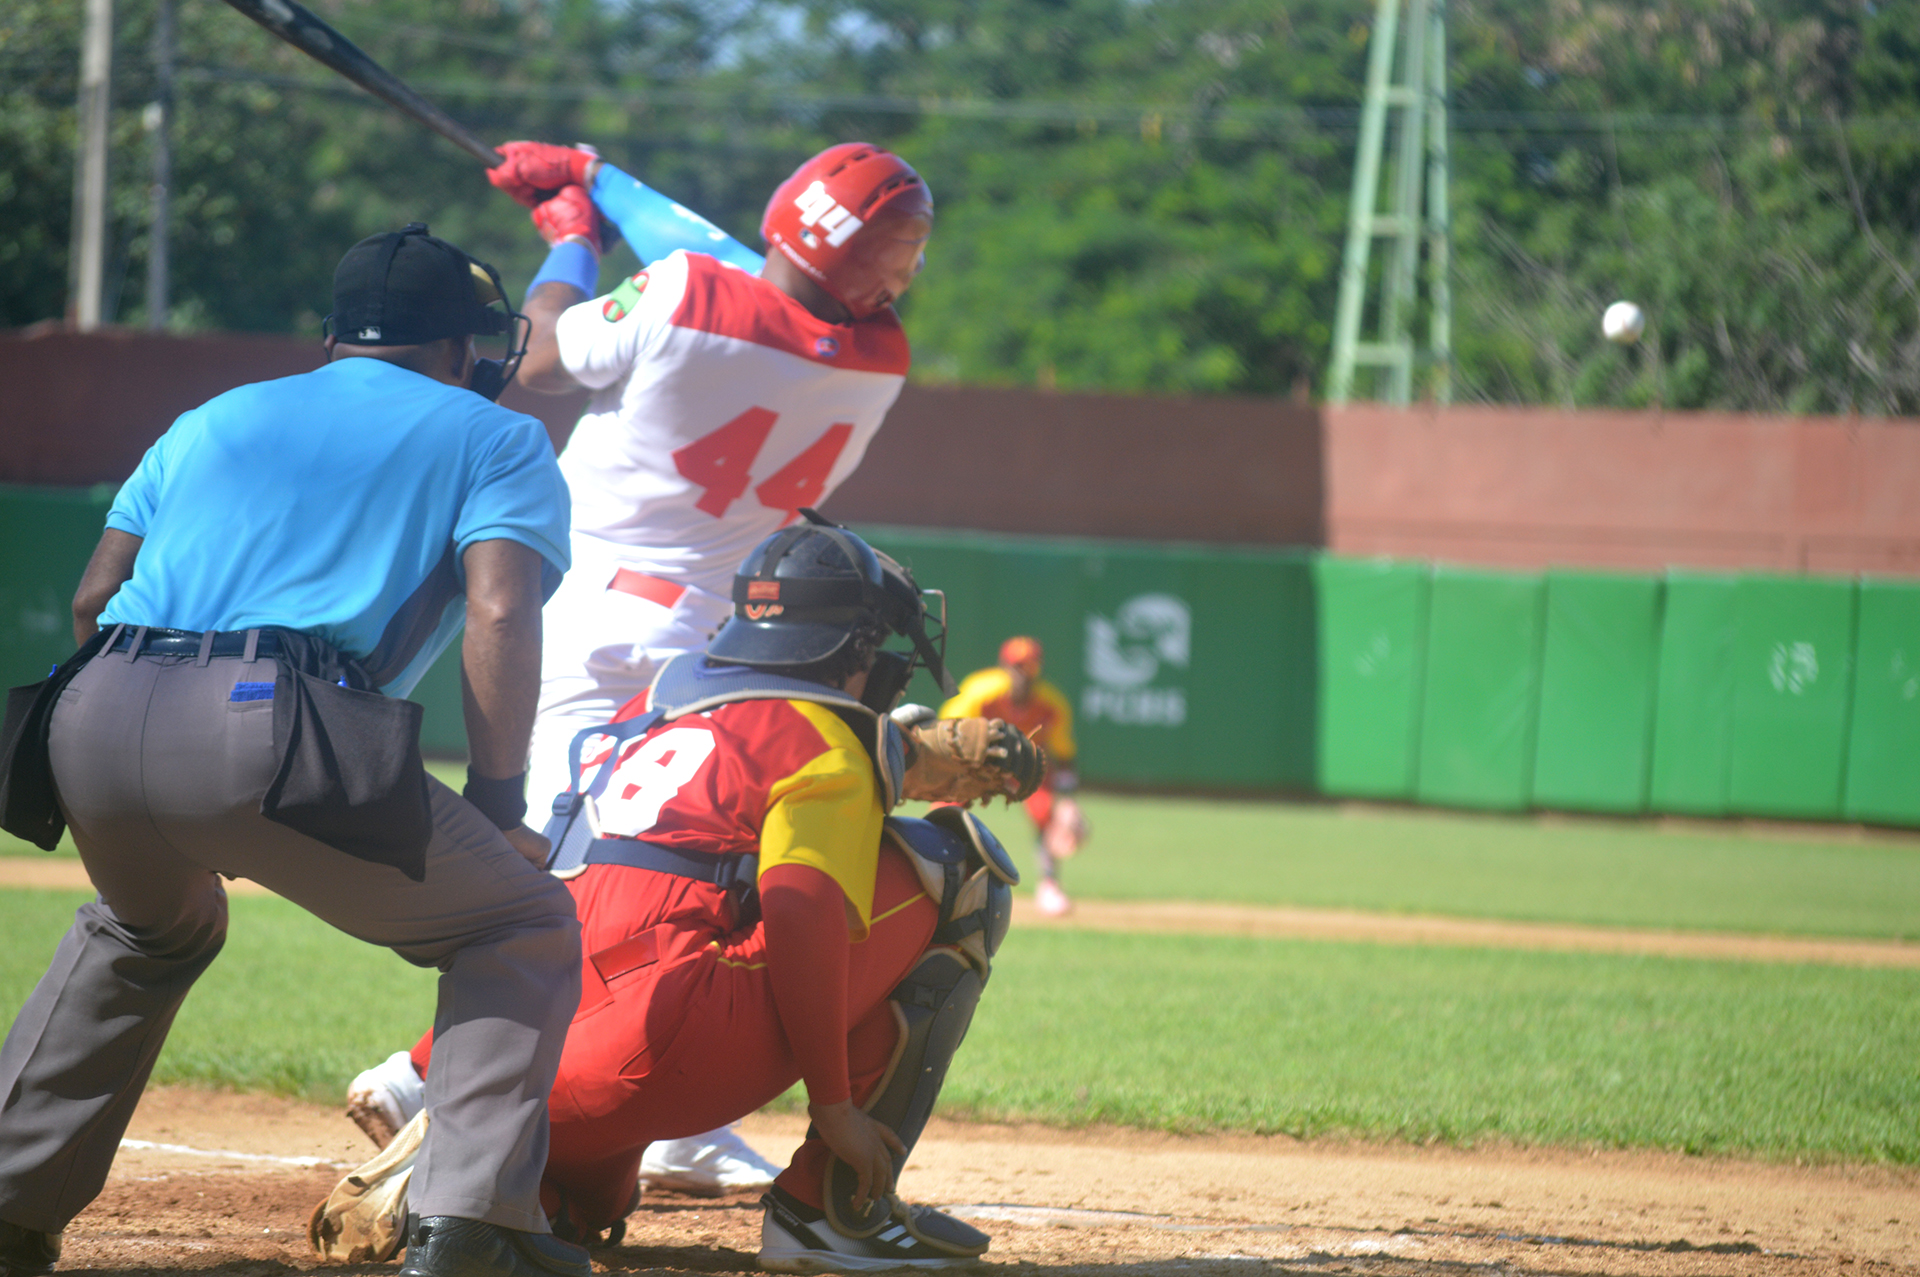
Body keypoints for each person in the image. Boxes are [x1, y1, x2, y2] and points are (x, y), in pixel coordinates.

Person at [343, 139, 936, 1194]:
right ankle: (441, 1081)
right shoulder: (877, 358)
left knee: (565, 871)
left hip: (588, 612)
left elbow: (535, 361)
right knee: (697, 876)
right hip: (729, 648)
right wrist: (601, 179)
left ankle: (455, 1082)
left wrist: (573, 232)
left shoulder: (683, 291)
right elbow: (748, 270)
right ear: (880, 270)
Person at [0, 225, 589, 1277]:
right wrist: (501, 798)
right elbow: (501, 611)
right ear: (465, 345)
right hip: (267, 712)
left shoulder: (215, 415)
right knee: (521, 918)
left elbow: (96, 597)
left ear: (334, 335)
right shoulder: (494, 435)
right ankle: (478, 1226)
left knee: (149, 926)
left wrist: (157, 741)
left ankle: (7, 1203)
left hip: (85, 711)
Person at [317, 518, 1032, 1271]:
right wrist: (834, 1107)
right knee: (962, 872)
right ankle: (832, 1210)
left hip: (519, 1057)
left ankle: (489, 1174)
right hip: (647, 1058)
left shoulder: (644, 713)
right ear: (855, 649)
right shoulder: (821, 741)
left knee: (593, 1207)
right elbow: (800, 918)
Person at [941, 637, 1088, 917]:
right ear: (1004, 667)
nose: (1023, 675)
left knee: (1049, 814)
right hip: (979, 764)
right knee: (946, 810)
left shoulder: (1051, 703)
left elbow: (1065, 754)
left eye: (1030, 667)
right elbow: (946, 730)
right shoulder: (981, 691)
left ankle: (1050, 885)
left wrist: (1068, 803)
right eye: (1017, 667)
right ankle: (941, 876)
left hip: (1026, 766)